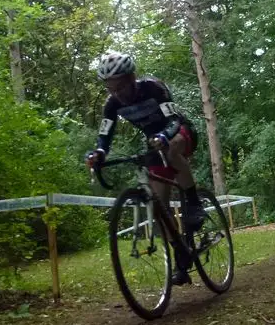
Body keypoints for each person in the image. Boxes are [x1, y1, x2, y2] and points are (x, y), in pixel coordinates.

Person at [85, 51, 206, 285]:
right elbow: (104, 135)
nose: (117, 94)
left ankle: (193, 202)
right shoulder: (111, 104)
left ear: (132, 78)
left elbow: (174, 119)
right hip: (154, 143)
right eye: (111, 89)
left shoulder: (153, 87)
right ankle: (180, 252)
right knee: (159, 206)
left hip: (179, 133)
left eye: (121, 87)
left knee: (171, 149)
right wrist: (99, 153)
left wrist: (165, 135)